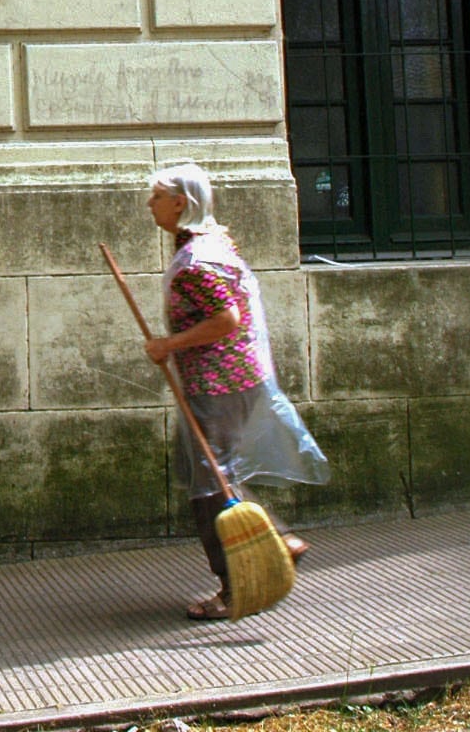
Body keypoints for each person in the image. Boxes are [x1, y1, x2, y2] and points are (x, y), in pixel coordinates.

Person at [141, 161, 330, 620]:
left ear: (180, 202)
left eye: (157, 196)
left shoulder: (196, 262)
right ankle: (281, 540)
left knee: (209, 487)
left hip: (217, 384)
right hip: (233, 380)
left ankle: (235, 585)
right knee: (213, 472)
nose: (151, 204)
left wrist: (169, 344)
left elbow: (226, 320)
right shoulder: (210, 245)